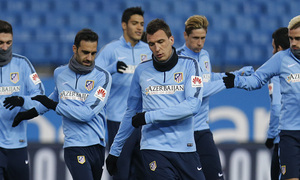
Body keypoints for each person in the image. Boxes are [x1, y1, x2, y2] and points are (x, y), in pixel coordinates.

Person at [106, 18, 206, 180]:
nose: (157, 48)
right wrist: (115, 150)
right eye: (152, 44)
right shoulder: (142, 71)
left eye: (161, 42)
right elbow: (131, 113)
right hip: (153, 148)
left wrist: (148, 116)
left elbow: (192, 106)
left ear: (171, 40)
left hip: (185, 149)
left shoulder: (190, 65)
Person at [13, 29, 112, 180]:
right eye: (85, 52)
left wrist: (53, 105)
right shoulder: (60, 73)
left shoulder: (103, 77)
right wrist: (27, 114)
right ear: (75, 49)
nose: (90, 58)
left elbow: (87, 114)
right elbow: (54, 98)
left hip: (96, 146)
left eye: (93, 53)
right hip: (74, 144)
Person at [176, 15, 254, 180]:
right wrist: (231, 82)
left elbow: (207, 78)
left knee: (216, 177)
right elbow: (197, 92)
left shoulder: (204, 55)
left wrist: (234, 74)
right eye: (195, 38)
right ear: (185, 36)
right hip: (184, 131)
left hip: (202, 129)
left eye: (203, 38)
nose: (199, 43)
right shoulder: (178, 60)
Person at [223, 15, 300, 180]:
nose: (293, 43)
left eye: (298, 39)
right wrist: (236, 81)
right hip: (290, 133)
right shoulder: (281, 59)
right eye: (291, 38)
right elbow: (257, 80)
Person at [95, 6, 152, 180]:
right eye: (135, 23)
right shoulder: (111, 50)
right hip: (118, 120)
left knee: (144, 172)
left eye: (142, 24)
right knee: (121, 172)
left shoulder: (148, 50)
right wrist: (111, 69)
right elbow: (92, 77)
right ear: (124, 25)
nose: (139, 28)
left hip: (143, 120)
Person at [0, 20, 45, 180]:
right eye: (0, 43)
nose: (5, 47)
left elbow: (41, 98)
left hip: (16, 145)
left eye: (8, 42)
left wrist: (22, 100)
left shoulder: (23, 64)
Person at [265, 27, 290, 180]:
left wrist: (271, 136)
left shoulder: (277, 70)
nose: (273, 52)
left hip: (284, 137)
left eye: (274, 48)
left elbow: (276, 107)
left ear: (279, 49)